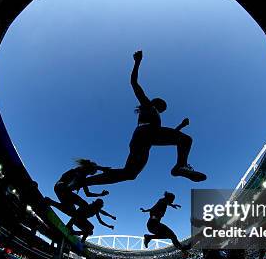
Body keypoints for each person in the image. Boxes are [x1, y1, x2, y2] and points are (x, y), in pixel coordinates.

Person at [83, 50, 206, 187]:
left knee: (129, 174)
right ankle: (180, 166)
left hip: (143, 140)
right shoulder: (147, 104)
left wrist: (181, 126)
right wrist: (137, 62)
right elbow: (134, 83)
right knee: (185, 139)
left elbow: (167, 136)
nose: (161, 111)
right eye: (161, 107)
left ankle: (83, 182)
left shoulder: (152, 115)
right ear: (156, 103)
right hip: (147, 133)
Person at [46, 159, 110, 216]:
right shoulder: (79, 170)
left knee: (74, 210)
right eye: (92, 172)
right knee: (82, 204)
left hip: (64, 191)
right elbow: (91, 167)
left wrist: (100, 194)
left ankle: (50, 202)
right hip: (60, 187)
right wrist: (102, 168)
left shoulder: (83, 179)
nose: (90, 174)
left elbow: (88, 194)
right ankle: (51, 202)